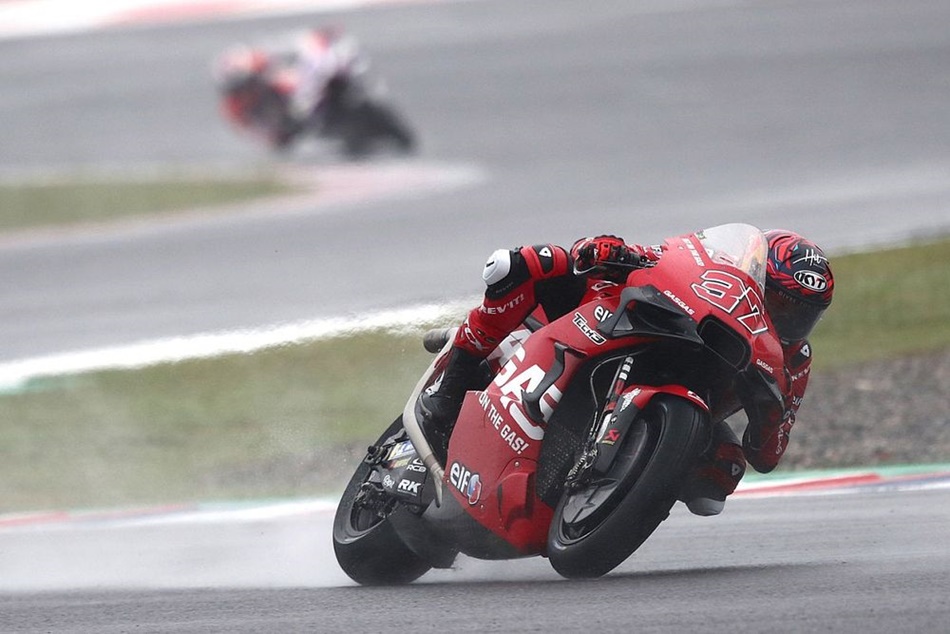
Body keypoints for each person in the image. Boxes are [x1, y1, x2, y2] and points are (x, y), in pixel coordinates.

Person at [420, 230, 835, 516]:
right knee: (523, 263)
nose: (787, 320)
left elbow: (767, 454)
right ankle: (449, 387)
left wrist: (770, 412)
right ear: (756, 274)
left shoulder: (793, 360)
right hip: (620, 326)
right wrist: (608, 250)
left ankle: (627, 493)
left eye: (803, 315)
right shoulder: (717, 268)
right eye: (780, 304)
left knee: (722, 475)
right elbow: (649, 255)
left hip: (688, 406)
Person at [214, 27, 361, 148]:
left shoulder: (262, 64)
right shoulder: (234, 107)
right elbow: (254, 132)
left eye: (247, 83)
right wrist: (276, 134)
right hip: (287, 122)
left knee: (326, 65)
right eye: (238, 88)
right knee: (285, 139)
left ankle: (340, 72)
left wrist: (315, 43)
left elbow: (288, 51)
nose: (245, 89)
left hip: (299, 86)